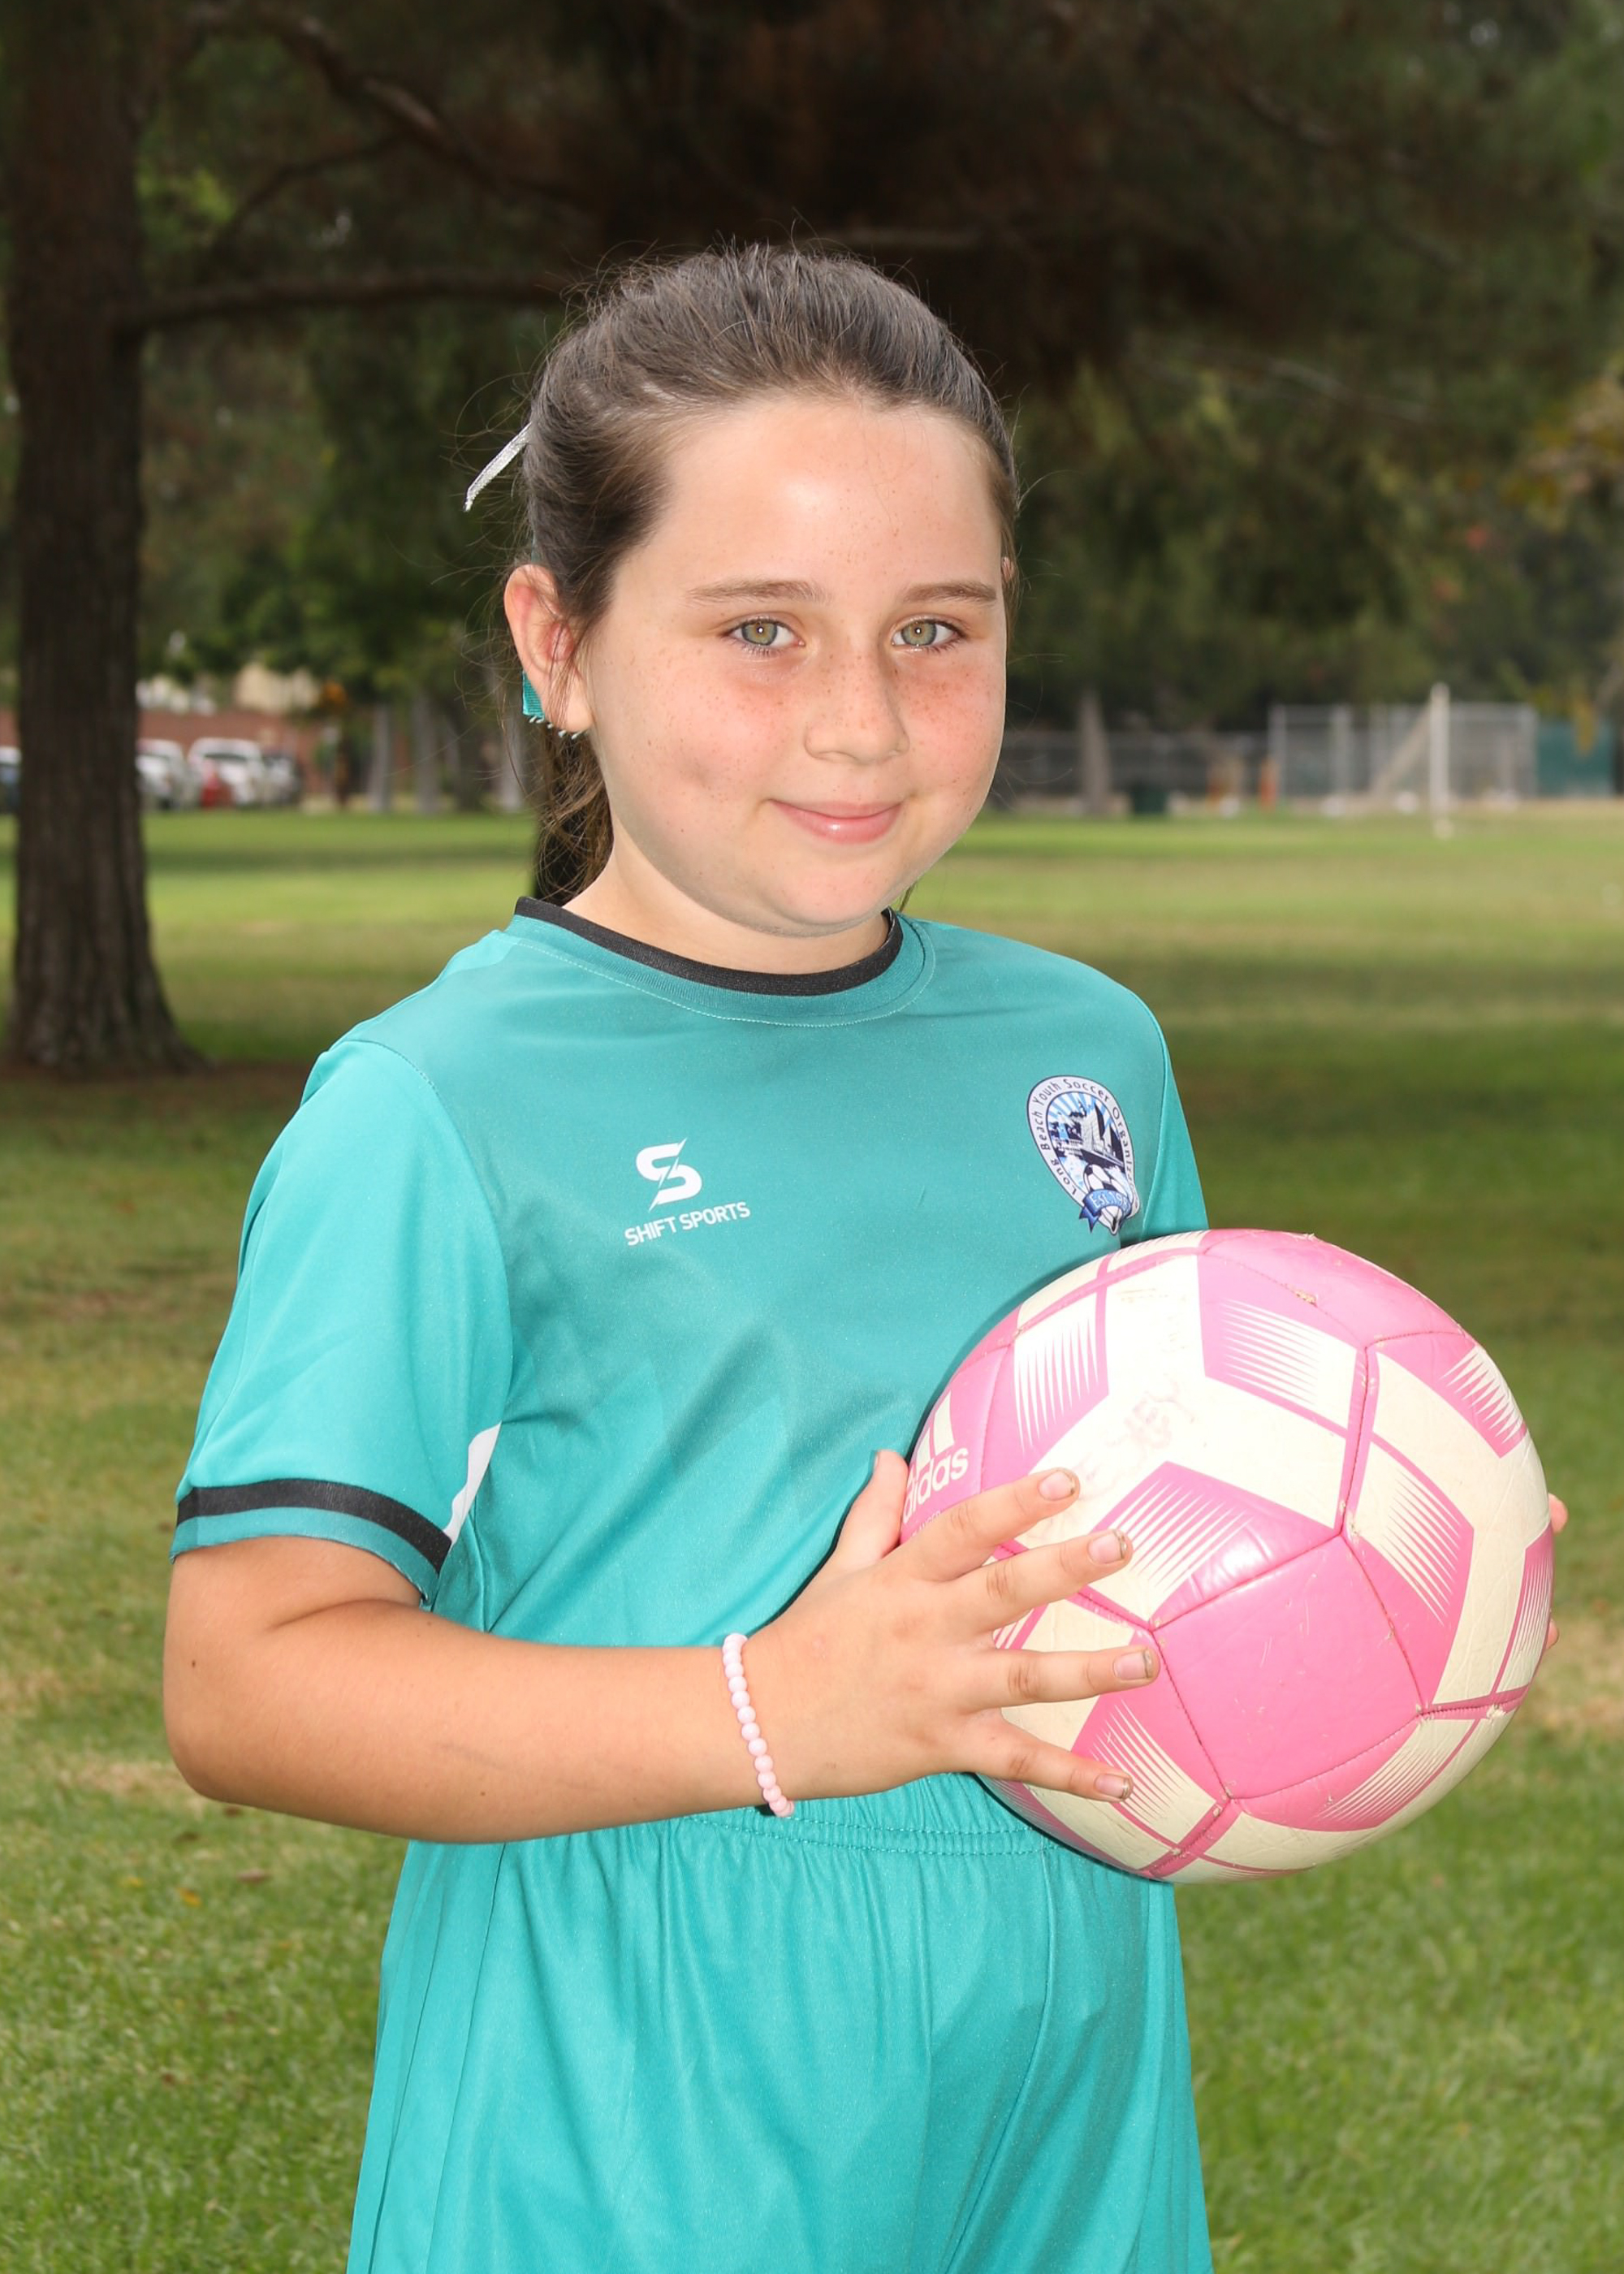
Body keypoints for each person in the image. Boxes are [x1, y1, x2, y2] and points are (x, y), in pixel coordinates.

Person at [160, 245, 1564, 2274]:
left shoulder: (1085, 1052)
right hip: (631, 2116)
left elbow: (1174, 1522)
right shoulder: (435, 1106)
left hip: (1063, 2104)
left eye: (933, 630)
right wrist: (770, 1711)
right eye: (760, 629)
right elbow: (244, 1678)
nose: (858, 721)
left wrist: (1409, 1575)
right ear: (557, 640)